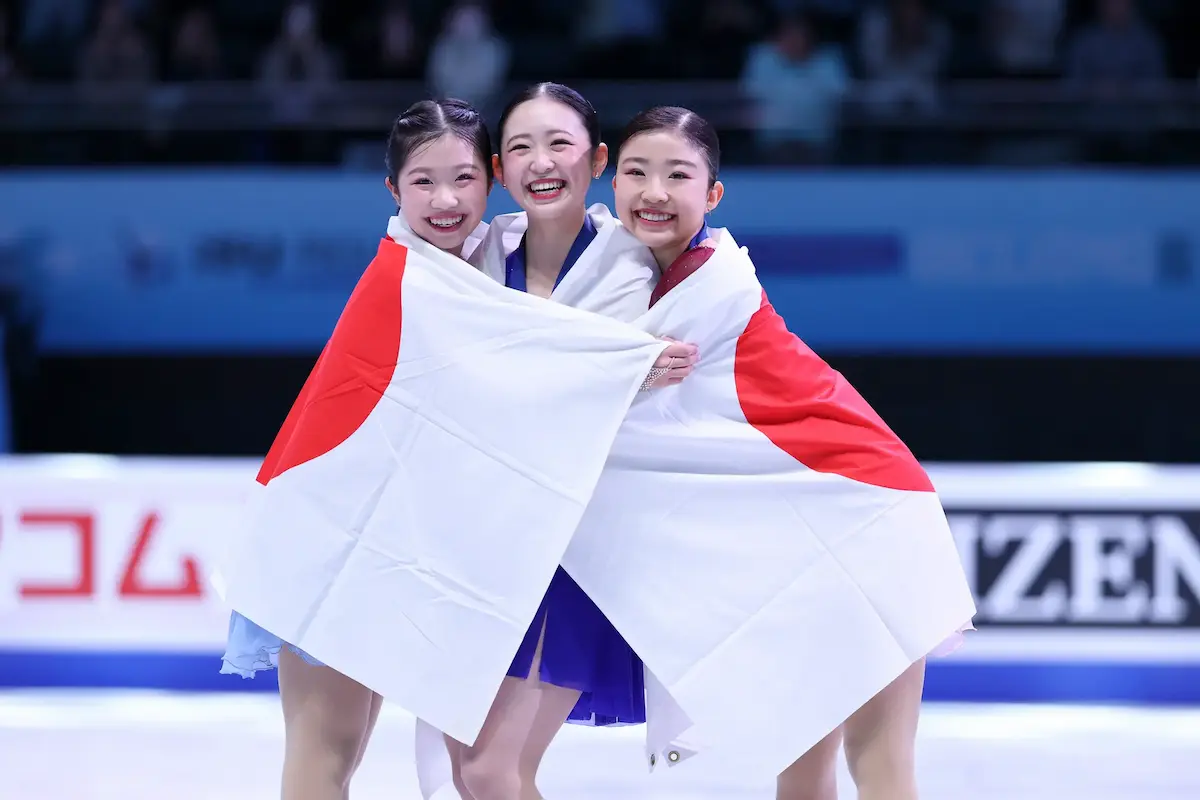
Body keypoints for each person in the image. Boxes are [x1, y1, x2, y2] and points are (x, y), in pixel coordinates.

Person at [221, 95, 695, 800]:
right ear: (394, 190)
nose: (445, 200)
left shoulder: (493, 263)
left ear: (489, 179)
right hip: (339, 532)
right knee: (330, 758)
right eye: (424, 182)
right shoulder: (412, 276)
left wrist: (625, 365)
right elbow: (515, 367)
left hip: (442, 553)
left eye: (462, 179)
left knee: (458, 772)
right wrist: (622, 365)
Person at [606, 105, 972, 800]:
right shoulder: (636, 278)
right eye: (637, 172)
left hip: (867, 514)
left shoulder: (711, 287)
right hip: (804, 538)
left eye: (677, 175)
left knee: (878, 760)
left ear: (713, 194)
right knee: (800, 767)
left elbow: (589, 387)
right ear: (613, 183)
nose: (654, 191)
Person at [440, 82, 697, 800]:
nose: (541, 161)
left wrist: (619, 374)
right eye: (521, 147)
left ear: (598, 161)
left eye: (560, 143)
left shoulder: (633, 265)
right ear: (499, 169)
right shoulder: (477, 254)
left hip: (576, 544)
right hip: (484, 542)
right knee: (474, 771)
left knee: (491, 769)